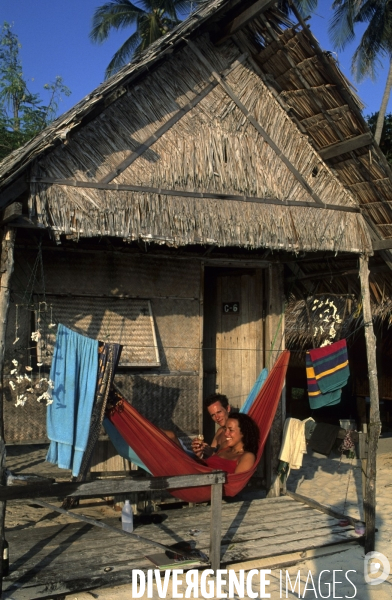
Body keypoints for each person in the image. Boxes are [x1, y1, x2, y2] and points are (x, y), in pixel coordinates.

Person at [191, 393, 231, 457]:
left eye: (219, 412)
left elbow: (236, 458)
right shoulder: (220, 431)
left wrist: (212, 454)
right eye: (213, 415)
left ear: (228, 408)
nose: (217, 417)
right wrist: (200, 453)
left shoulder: (238, 431)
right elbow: (209, 456)